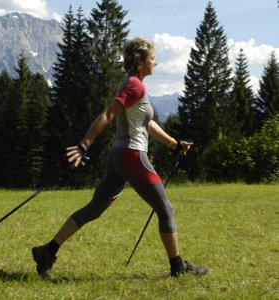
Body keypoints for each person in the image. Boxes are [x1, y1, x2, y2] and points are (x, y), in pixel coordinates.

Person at [32, 37, 208, 278]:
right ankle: (178, 267)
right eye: (152, 58)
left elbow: (148, 123)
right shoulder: (135, 86)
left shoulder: (132, 86)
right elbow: (108, 113)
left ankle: (47, 252)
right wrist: (85, 144)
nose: (155, 62)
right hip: (132, 155)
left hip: (118, 157)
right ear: (139, 61)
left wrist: (174, 144)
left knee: (94, 209)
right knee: (166, 209)